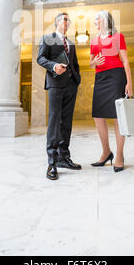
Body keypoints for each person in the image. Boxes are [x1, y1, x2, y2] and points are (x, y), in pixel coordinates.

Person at [37, 12, 81, 180]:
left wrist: (77, 80)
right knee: (54, 122)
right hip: (55, 84)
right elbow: (40, 58)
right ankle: (52, 162)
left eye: (68, 20)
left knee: (66, 122)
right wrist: (54, 66)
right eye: (64, 19)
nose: (67, 22)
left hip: (71, 86)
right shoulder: (48, 38)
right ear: (57, 22)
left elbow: (75, 64)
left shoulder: (71, 43)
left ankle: (64, 157)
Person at [90, 10, 132, 173]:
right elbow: (91, 63)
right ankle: (106, 152)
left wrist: (129, 83)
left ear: (105, 20)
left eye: (96, 19)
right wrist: (94, 62)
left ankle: (120, 155)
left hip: (116, 77)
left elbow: (126, 61)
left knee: (117, 116)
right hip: (100, 78)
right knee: (98, 116)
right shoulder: (93, 41)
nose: (94, 21)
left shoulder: (118, 36)